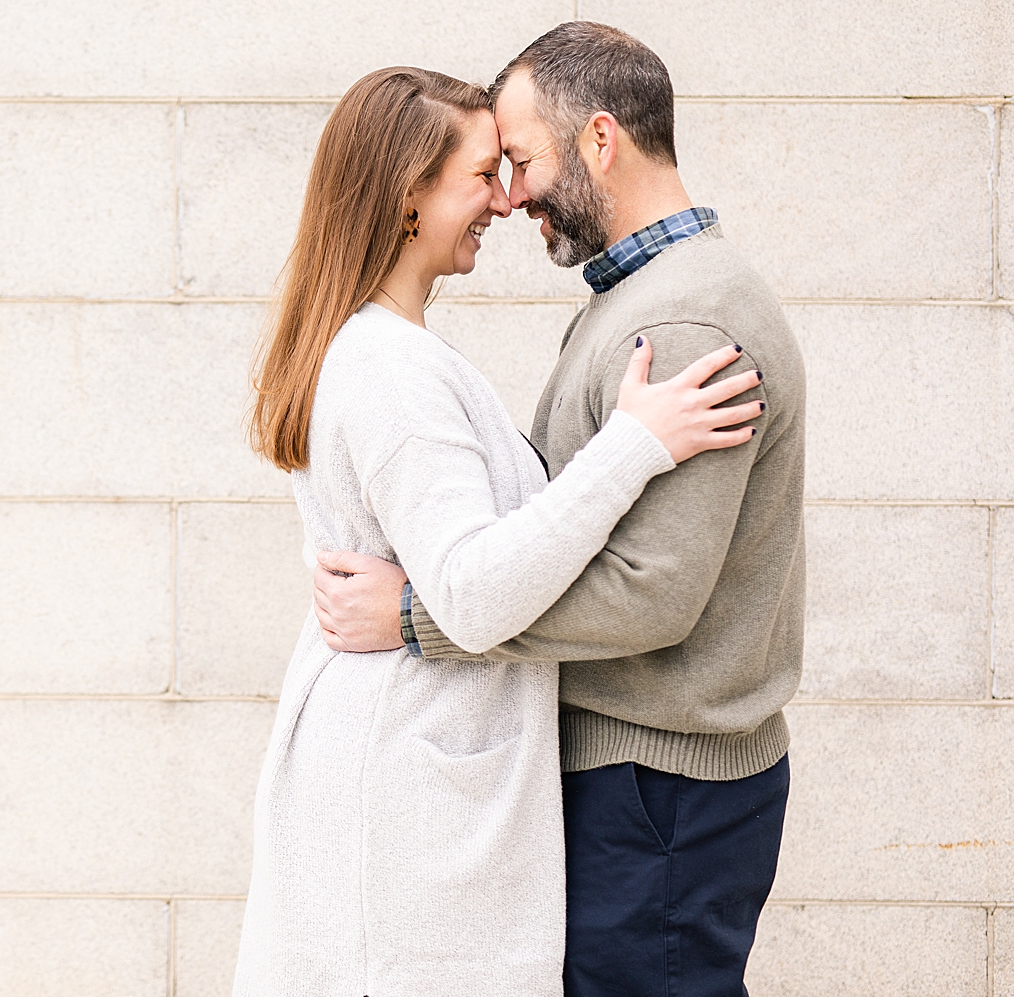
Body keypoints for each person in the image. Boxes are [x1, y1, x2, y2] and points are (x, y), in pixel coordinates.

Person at [233, 62, 764, 997]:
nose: (507, 199)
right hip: (410, 784)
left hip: (414, 764)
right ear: (408, 197)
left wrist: (410, 610)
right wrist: (632, 445)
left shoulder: (384, 349)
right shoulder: (391, 368)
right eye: (485, 173)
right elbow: (472, 589)